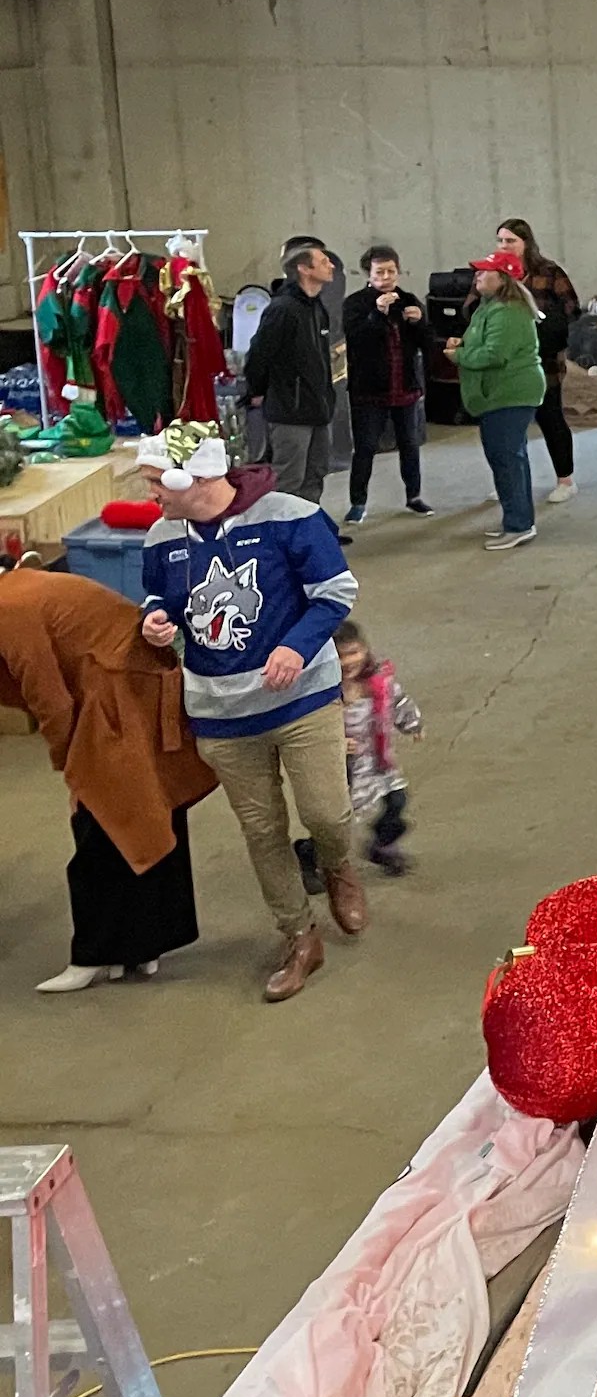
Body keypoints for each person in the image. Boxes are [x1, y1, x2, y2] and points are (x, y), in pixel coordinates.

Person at [134, 421, 365, 1001]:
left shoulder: (289, 515)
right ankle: (298, 936)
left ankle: (337, 865)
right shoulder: (161, 537)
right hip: (219, 713)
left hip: (303, 699)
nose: (151, 495)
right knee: (262, 830)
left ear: (193, 473)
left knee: (326, 812)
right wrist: (156, 621)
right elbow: (159, 595)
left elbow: (335, 591)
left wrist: (296, 645)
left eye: (155, 480)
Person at [0, 547, 216, 992]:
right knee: (145, 807)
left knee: (103, 819)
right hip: (125, 676)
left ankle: (94, 956)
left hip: (119, 685)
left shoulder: (8, 607)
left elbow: (49, 699)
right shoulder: (17, 590)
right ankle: (141, 946)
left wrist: (67, 761)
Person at [241, 238, 341, 507]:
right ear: (304, 269)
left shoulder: (317, 307)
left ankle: (309, 534)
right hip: (291, 412)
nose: (330, 265)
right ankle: (283, 541)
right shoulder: (282, 309)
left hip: (319, 409)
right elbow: (258, 356)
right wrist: (257, 391)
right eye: (323, 261)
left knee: (316, 475)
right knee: (289, 481)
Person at [455, 253, 545, 549]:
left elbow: (495, 354)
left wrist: (459, 356)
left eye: (485, 272)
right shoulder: (488, 308)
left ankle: (519, 525)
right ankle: (517, 520)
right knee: (509, 458)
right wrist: (463, 344)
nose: (477, 276)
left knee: (507, 460)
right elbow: (483, 342)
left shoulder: (507, 311)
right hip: (499, 395)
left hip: (510, 394)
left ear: (503, 278)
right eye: (477, 272)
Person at [341, 245, 433, 526]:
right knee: (366, 447)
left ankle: (414, 495)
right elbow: (356, 340)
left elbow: (426, 344)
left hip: (404, 386)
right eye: (380, 271)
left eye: (391, 270)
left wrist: (419, 323)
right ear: (369, 274)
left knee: (410, 443)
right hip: (369, 390)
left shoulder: (408, 300)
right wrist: (377, 313)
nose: (387, 276)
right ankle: (358, 502)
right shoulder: (356, 303)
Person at [492, 218, 581, 505]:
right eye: (501, 241)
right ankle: (509, 482)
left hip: (544, 361)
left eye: (510, 241)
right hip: (504, 364)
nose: (504, 246)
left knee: (551, 418)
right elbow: (473, 308)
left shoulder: (549, 272)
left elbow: (571, 309)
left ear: (525, 243)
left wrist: (545, 332)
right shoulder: (492, 273)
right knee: (507, 428)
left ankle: (565, 479)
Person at [333, 621, 420, 875]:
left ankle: (382, 844)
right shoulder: (324, 692)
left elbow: (399, 702)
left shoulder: (378, 683)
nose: (348, 661)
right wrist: (335, 743)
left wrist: (413, 724)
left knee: (397, 801)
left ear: (366, 651)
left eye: (354, 653)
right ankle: (309, 853)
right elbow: (309, 726)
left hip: (376, 760)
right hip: (344, 768)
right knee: (335, 822)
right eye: (340, 656)